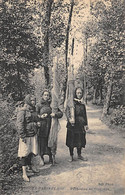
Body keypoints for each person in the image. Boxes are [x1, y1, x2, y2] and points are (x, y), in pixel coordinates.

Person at [36, 89, 63, 165]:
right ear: (42, 96)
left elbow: (60, 113)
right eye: (45, 95)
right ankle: (41, 158)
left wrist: (55, 115)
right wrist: (41, 116)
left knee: (50, 141)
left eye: (48, 95)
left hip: (51, 127)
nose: (46, 96)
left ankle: (51, 157)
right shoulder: (39, 105)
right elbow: (35, 115)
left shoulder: (52, 105)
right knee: (42, 142)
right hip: (42, 127)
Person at [17, 94, 39, 182]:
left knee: (31, 152)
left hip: (32, 134)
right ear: (28, 101)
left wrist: (37, 124)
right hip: (26, 136)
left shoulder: (33, 110)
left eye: (34, 100)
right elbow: (20, 125)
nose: (33, 102)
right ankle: (24, 174)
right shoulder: (22, 111)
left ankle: (30, 169)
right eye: (32, 100)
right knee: (24, 154)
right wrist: (22, 136)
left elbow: (35, 120)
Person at [66, 87, 88, 162]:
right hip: (72, 125)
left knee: (80, 140)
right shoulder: (71, 103)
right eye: (78, 93)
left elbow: (85, 115)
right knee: (71, 140)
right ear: (75, 93)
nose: (79, 94)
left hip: (80, 125)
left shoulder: (82, 104)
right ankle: (71, 155)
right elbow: (67, 112)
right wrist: (70, 119)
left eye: (80, 93)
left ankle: (79, 154)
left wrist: (86, 124)